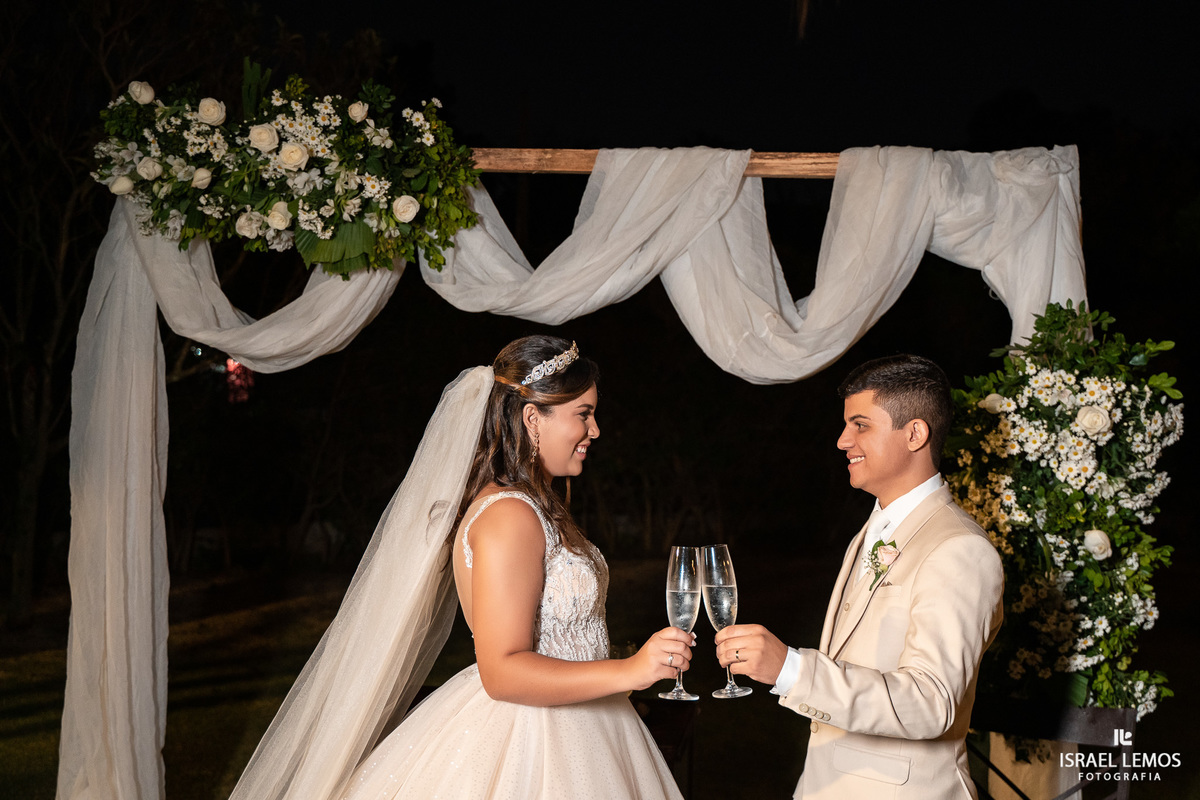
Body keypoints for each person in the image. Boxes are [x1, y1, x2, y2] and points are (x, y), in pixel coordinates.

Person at [229, 336, 691, 800]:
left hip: (590, 725)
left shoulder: (533, 505)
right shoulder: (510, 515)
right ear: (533, 418)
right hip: (534, 739)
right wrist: (630, 670)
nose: (595, 431)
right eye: (583, 414)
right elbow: (503, 670)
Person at [715, 354, 1004, 800]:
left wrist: (792, 670)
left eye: (860, 425)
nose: (842, 440)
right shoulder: (871, 531)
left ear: (915, 434)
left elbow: (931, 702)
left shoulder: (960, 549)